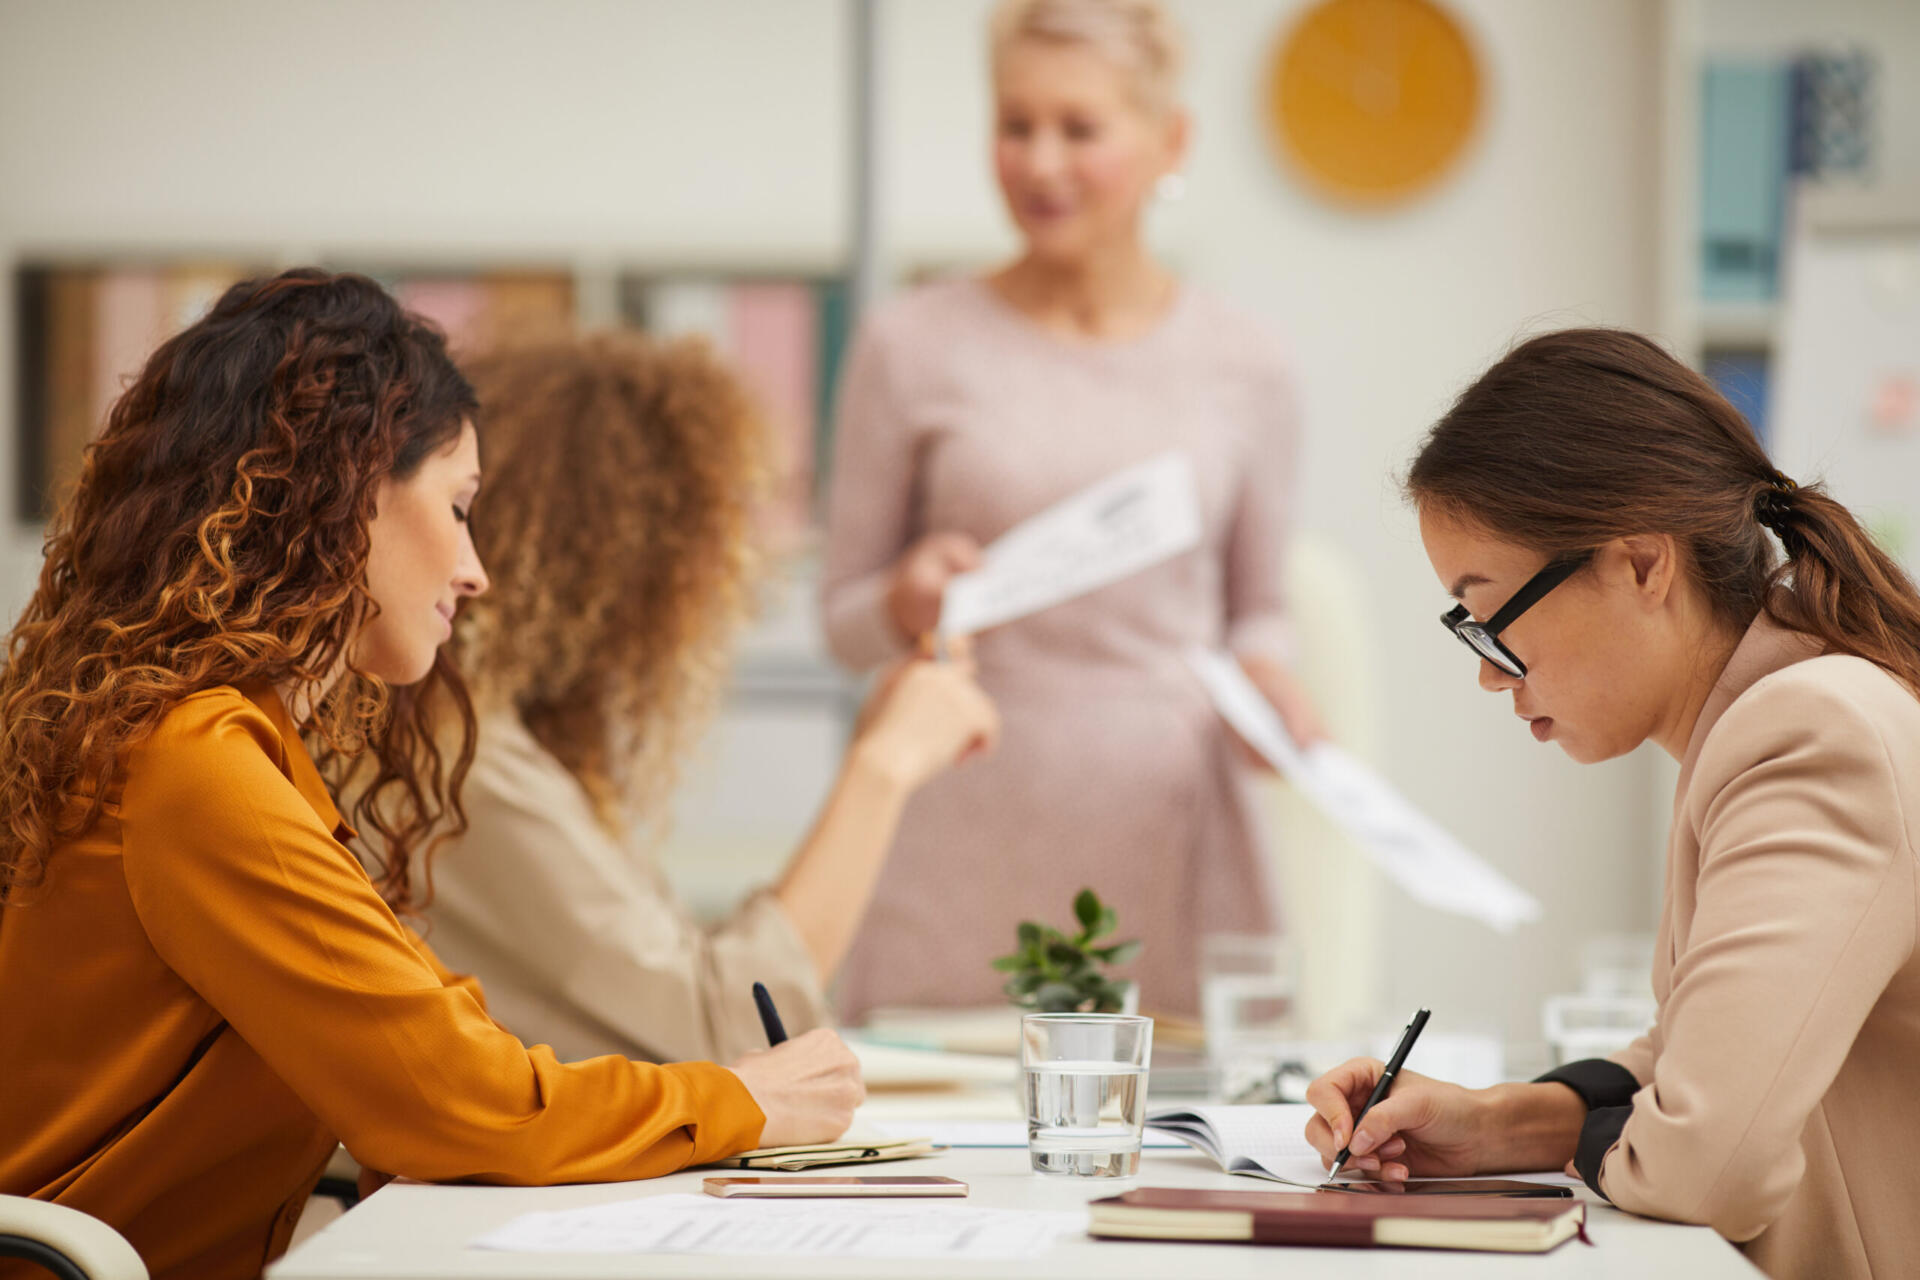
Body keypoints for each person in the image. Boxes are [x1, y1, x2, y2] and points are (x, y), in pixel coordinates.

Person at [0, 271, 862, 1280]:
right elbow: (463, 1096)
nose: (475, 569)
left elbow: (429, 1048)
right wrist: (743, 1099)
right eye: (456, 508)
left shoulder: (210, 740)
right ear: (346, 491)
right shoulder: (195, 768)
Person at [1302, 329, 1920, 1280]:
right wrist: (1496, 1124)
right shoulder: (1778, 713)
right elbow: (1692, 1065)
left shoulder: (1810, 732)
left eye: (1491, 616)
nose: (1489, 676)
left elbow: (1706, 1166)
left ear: (1641, 565)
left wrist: (1582, 1140)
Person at [820, 0, 1322, 1018]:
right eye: (1015, 124)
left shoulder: (1248, 362)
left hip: (1168, 838)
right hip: (956, 830)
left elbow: (1256, 606)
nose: (1039, 163)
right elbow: (841, 620)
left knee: (1179, 1148)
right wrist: (908, 597)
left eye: (1079, 129)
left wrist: (1273, 679)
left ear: (1168, 140)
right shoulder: (908, 343)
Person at [416, 333, 1000, 1065]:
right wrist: (882, 767)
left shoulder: (496, 741)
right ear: (623, 565)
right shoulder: (465, 759)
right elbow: (728, 1029)